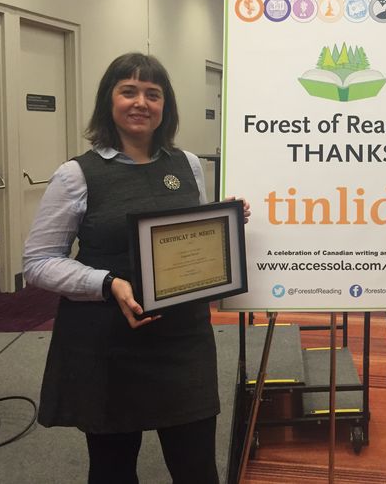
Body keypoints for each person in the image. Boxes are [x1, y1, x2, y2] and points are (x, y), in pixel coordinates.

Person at [23, 52, 249, 484]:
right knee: (113, 470)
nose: (141, 102)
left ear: (165, 105)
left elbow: (187, 240)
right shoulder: (76, 175)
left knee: (197, 469)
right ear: (109, 100)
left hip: (183, 341)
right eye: (128, 91)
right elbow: (37, 262)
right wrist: (107, 282)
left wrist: (223, 224)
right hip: (109, 344)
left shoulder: (187, 165)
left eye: (152, 93)